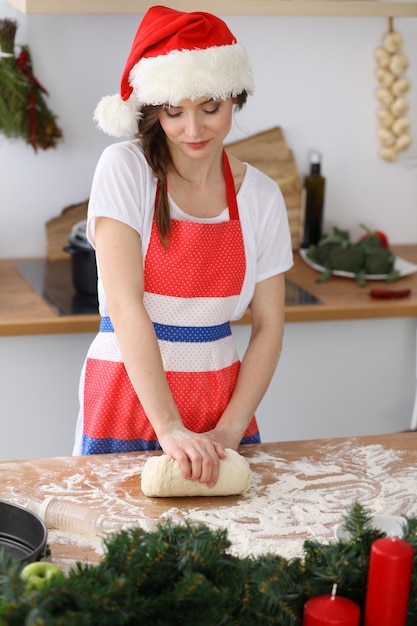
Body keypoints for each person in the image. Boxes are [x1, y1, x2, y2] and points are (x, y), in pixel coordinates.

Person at [73, 5, 293, 487]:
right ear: (154, 109)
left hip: (222, 404)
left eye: (210, 108)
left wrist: (230, 428)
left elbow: (270, 325)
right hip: (129, 396)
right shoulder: (125, 170)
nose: (193, 131)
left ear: (234, 98)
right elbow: (128, 305)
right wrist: (169, 426)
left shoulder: (261, 197)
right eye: (174, 112)